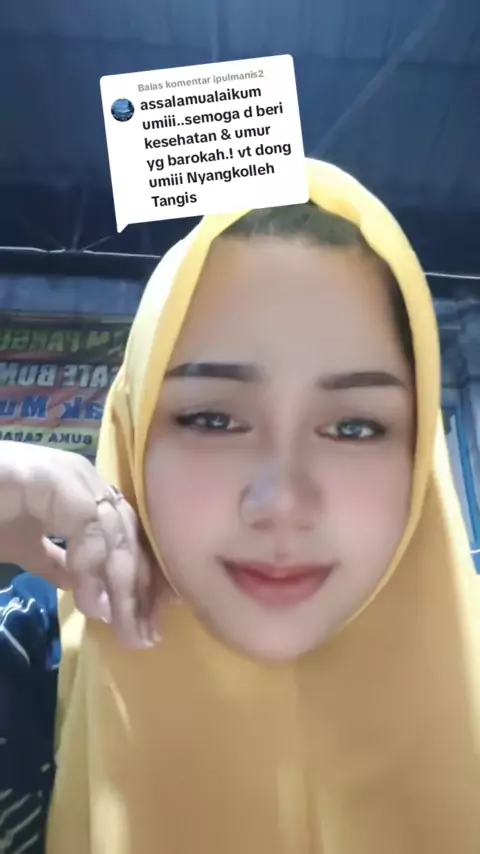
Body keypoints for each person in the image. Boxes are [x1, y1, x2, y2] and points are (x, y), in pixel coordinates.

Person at [1, 158, 479, 854]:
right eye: (212, 420)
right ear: (133, 436)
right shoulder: (31, 656)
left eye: (354, 427)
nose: (281, 502)